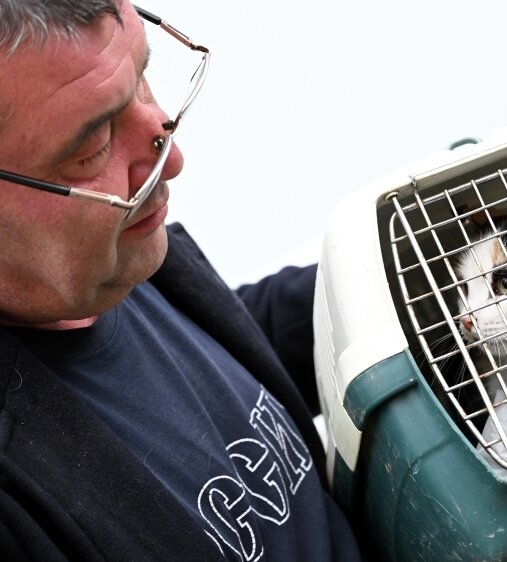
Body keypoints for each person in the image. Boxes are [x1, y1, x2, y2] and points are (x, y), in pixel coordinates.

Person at [0, 1, 362, 560]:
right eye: (92, 147)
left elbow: (209, 380)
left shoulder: (109, 259)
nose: (171, 160)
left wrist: (416, 263)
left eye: (142, 79)